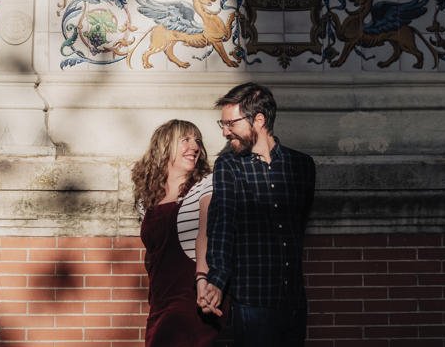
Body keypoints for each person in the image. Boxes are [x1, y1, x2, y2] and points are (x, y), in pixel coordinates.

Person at [199, 82, 316, 346]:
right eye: (223, 124)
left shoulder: (302, 166)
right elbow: (222, 225)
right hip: (252, 301)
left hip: (293, 301)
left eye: (231, 123)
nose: (226, 132)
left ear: (259, 120)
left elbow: (298, 223)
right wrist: (216, 280)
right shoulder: (228, 165)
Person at [132, 119, 220, 347]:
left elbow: (206, 234)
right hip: (160, 299)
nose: (195, 146)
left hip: (192, 296)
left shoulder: (206, 184)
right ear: (164, 146)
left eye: (197, 140)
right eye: (185, 140)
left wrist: (203, 279)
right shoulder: (147, 200)